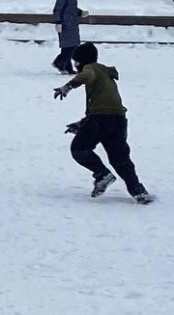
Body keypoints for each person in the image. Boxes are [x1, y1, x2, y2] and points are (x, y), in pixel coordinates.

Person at [54, 42, 153, 204]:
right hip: (118, 119)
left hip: (101, 119)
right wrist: (82, 124)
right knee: (120, 158)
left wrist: (68, 86)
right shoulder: (105, 75)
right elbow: (106, 105)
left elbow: (87, 77)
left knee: (79, 149)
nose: (75, 65)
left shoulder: (91, 68)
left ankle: (102, 175)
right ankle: (138, 191)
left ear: (83, 61)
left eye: (76, 62)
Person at [52, 0, 85, 75]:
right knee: (69, 47)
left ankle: (67, 67)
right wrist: (58, 22)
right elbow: (58, 9)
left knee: (71, 46)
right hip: (66, 24)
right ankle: (58, 63)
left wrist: (80, 12)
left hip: (72, 24)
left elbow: (71, 8)